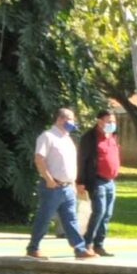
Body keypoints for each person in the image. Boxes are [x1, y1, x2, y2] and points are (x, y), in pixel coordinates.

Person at [26, 106, 89, 259]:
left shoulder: (67, 139)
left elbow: (70, 164)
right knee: (45, 218)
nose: (73, 122)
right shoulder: (47, 136)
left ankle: (80, 249)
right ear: (60, 119)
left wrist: (73, 183)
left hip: (68, 187)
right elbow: (39, 159)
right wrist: (49, 179)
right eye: (70, 119)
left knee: (71, 219)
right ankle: (33, 247)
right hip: (52, 187)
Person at [79, 103, 123, 255]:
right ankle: (87, 243)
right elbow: (82, 160)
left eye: (113, 121)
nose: (112, 124)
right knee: (99, 211)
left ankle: (99, 244)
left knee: (107, 214)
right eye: (108, 121)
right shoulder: (90, 138)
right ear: (99, 121)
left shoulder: (113, 136)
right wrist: (80, 181)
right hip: (97, 180)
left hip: (110, 181)